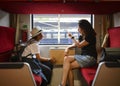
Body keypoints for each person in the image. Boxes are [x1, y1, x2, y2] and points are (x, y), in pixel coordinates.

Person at [59, 19, 97, 86]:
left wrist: (72, 37)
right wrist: (67, 48)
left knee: (66, 59)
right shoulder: (81, 36)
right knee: (68, 66)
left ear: (83, 28)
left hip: (91, 58)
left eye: (79, 27)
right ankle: (65, 84)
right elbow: (76, 45)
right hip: (84, 57)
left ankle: (63, 84)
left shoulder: (90, 36)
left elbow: (79, 45)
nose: (78, 29)